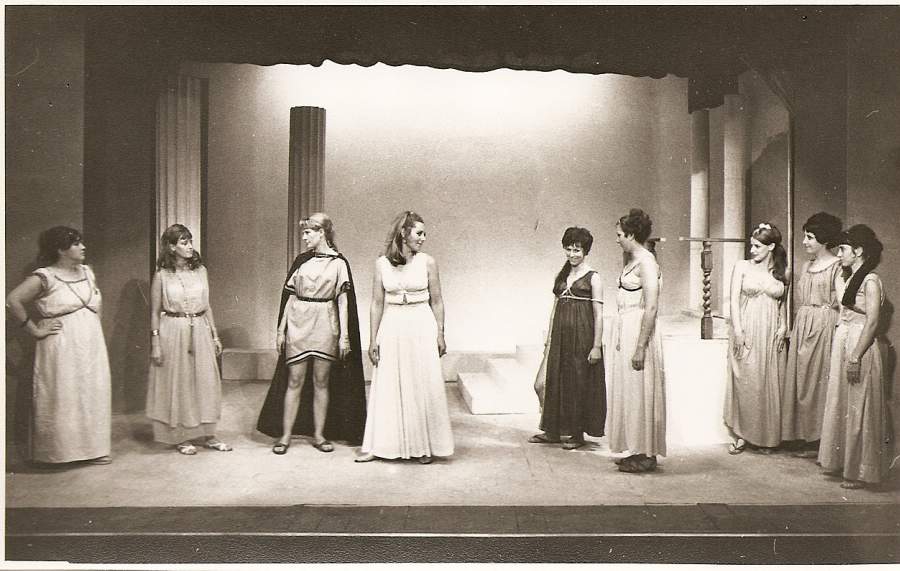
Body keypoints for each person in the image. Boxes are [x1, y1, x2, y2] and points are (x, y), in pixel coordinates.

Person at [256, 213, 367, 453]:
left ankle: (319, 435)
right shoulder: (301, 261)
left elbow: (343, 302)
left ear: (321, 233)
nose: (304, 237)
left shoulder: (339, 263)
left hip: (325, 322)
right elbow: (290, 296)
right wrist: (280, 330)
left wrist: (344, 336)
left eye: (308, 232)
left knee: (321, 381)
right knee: (294, 380)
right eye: (304, 233)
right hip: (299, 322)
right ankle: (285, 435)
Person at [6, 226, 112, 466]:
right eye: (76, 243)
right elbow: (13, 301)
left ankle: (93, 450)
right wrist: (35, 330)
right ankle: (59, 454)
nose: (83, 247)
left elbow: (96, 306)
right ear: (60, 249)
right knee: (63, 395)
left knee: (92, 392)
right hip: (61, 345)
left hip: (90, 344)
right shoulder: (46, 276)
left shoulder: (87, 272)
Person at [355, 211, 453, 464]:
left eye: (424, 233)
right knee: (389, 383)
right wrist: (372, 339)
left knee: (421, 383)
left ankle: (423, 446)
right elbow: (376, 303)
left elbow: (438, 301)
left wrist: (440, 333)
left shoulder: (428, 262)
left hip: (421, 324)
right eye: (419, 233)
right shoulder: (381, 264)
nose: (423, 238)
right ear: (403, 233)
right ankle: (380, 446)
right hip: (392, 325)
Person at [146, 224, 231, 455]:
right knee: (180, 383)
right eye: (184, 242)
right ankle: (181, 436)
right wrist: (155, 342)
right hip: (173, 330)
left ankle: (209, 434)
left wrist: (215, 335)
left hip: (200, 328)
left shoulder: (200, 271)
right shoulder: (162, 276)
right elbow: (154, 312)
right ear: (172, 247)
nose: (190, 246)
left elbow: (207, 305)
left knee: (205, 381)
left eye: (190, 241)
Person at [818, 225, 890, 489]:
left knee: (860, 407)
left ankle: (861, 472)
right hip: (845, 341)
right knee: (844, 405)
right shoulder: (852, 279)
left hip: (860, 345)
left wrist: (856, 357)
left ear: (858, 251)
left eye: (844, 249)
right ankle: (845, 464)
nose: (840, 255)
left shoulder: (871, 280)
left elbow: (872, 322)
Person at [530, 226, 605, 450]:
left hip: (582, 338)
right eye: (569, 249)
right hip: (560, 339)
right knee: (552, 381)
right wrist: (549, 341)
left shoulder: (593, 277)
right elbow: (554, 311)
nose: (572, 254)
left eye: (577, 250)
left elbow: (598, 314)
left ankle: (576, 434)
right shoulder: (562, 275)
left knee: (578, 384)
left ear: (586, 251)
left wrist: (596, 346)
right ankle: (552, 431)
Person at [607, 209, 665, 473]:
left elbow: (651, 307)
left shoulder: (647, 262)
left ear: (631, 234)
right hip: (625, 328)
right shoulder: (631, 259)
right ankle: (636, 448)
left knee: (642, 391)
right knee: (630, 392)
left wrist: (641, 347)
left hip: (639, 330)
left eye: (620, 235)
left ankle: (647, 454)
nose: (617, 239)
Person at [781, 212, 843, 457]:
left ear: (824, 239)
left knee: (820, 381)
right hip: (804, 323)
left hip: (824, 324)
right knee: (801, 378)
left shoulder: (837, 266)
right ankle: (802, 434)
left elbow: (842, 302)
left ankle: (819, 439)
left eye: (809, 237)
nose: (804, 241)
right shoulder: (806, 266)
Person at [724, 223, 789, 455]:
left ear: (771, 247)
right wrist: (738, 331)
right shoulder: (742, 267)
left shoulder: (782, 271)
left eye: (757, 246)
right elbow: (733, 301)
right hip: (748, 326)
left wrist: (783, 326)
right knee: (747, 380)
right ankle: (742, 435)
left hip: (771, 330)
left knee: (769, 382)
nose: (752, 250)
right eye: (751, 245)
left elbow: (782, 303)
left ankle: (766, 438)